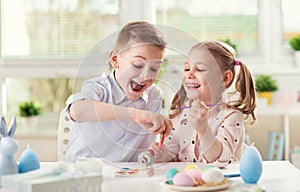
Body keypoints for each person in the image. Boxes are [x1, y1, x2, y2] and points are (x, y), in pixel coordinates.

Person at [63, 21, 172, 162]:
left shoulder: (154, 96)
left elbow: (140, 153)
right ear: (115, 60)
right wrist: (136, 114)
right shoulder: (98, 88)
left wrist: (152, 154)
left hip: (119, 176)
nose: (146, 76)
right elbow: (77, 111)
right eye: (138, 65)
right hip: (77, 174)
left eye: (154, 68)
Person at [150, 41, 257, 167]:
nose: (189, 74)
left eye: (200, 69)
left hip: (222, 183)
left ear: (225, 78)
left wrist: (203, 128)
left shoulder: (232, 116)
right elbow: (172, 153)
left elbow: (220, 160)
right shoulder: (180, 114)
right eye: (187, 68)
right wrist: (160, 154)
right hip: (188, 184)